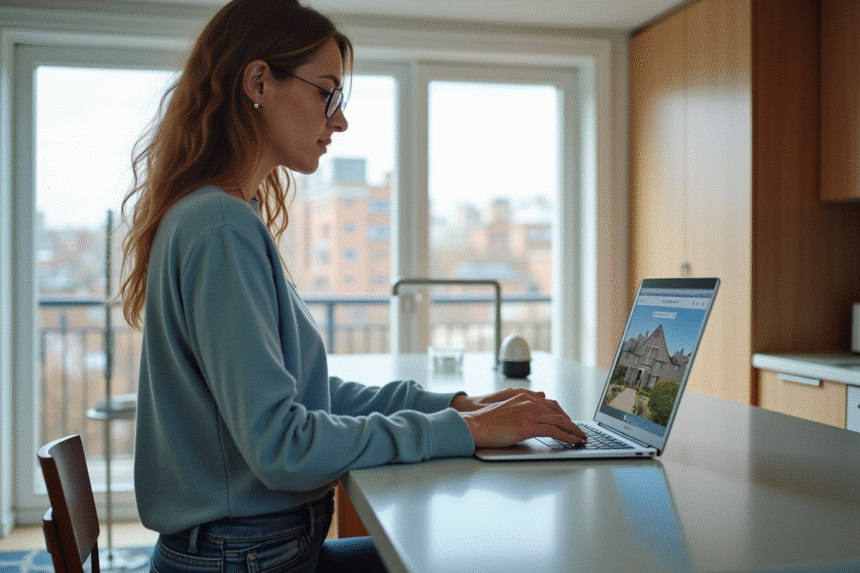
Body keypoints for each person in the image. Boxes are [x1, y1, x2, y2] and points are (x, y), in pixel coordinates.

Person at [119, 1, 587, 571]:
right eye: (327, 93)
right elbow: (282, 447)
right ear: (258, 82)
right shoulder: (221, 227)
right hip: (243, 559)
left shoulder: (219, 216)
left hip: (249, 551)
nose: (339, 120)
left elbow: (307, 394)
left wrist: (457, 406)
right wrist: (464, 430)